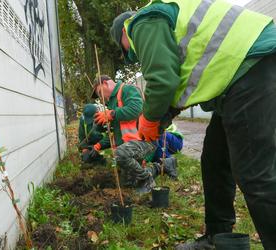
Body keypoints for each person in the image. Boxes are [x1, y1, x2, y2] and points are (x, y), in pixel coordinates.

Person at [110, 1, 276, 249]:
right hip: (237, 76)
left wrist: (150, 118)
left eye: (125, 50)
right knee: (215, 161)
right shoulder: (163, 23)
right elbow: (178, 85)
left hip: (250, 64)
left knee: (256, 175)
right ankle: (216, 238)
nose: (132, 55)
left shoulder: (140, 23)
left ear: (122, 33)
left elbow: (163, 81)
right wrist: (159, 121)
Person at [92, 75, 177, 192]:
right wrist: (101, 129)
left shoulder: (127, 89)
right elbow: (114, 130)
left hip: (145, 141)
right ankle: (162, 166)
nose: (101, 98)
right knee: (127, 183)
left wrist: (111, 114)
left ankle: (147, 180)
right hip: (130, 147)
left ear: (105, 83)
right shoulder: (111, 103)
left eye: (100, 93)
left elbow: (137, 109)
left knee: (120, 154)